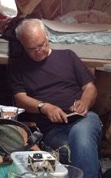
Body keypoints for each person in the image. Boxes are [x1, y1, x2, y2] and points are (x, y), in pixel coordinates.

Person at [9, 18, 103, 178]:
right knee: (65, 151)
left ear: (47, 36)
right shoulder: (17, 66)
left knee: (80, 135)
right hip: (53, 128)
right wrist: (44, 107)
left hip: (83, 119)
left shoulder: (68, 56)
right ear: (22, 46)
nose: (39, 51)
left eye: (42, 45)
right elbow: (20, 98)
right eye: (32, 49)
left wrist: (84, 103)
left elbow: (90, 87)